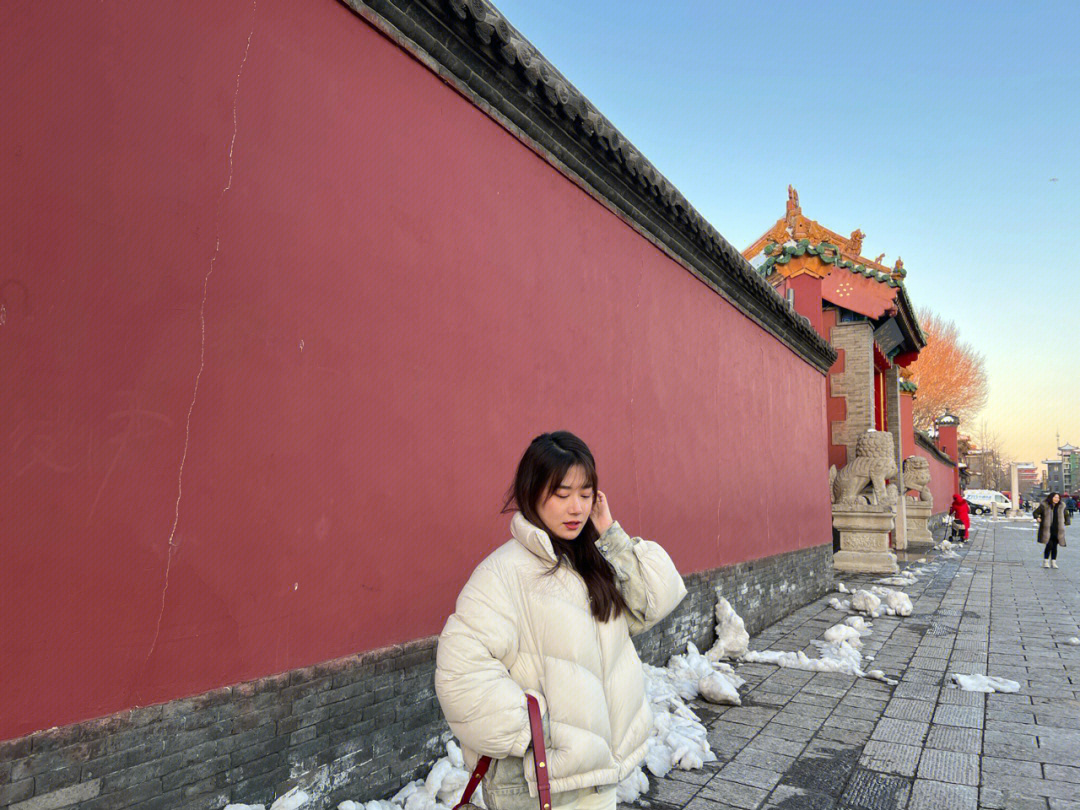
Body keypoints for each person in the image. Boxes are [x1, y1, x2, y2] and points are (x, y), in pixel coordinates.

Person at [435, 431, 687, 810]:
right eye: (562, 494)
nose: (576, 508)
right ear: (532, 491)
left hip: (597, 781)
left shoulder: (592, 564)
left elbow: (656, 601)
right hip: (539, 788)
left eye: (586, 494)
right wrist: (536, 732)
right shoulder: (503, 573)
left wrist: (611, 535)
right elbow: (459, 674)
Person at [1034, 492, 1070, 568]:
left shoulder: (1062, 506)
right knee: (1049, 544)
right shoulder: (1045, 505)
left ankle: (1053, 562)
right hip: (1047, 529)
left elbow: (1066, 514)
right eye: (1055, 497)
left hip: (1058, 529)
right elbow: (1035, 512)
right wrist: (1037, 517)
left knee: (1054, 546)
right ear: (1051, 497)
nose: (1057, 499)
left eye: (1058, 498)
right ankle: (1046, 561)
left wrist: (1066, 522)